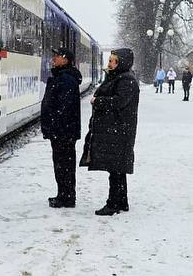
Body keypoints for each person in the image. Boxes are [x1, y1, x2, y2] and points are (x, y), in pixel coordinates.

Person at [84, 48, 140, 216]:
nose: (108, 63)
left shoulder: (126, 80)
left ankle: (113, 203)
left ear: (120, 62)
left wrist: (97, 101)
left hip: (119, 131)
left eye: (112, 60)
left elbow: (119, 102)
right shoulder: (120, 78)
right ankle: (121, 201)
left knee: (115, 168)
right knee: (117, 169)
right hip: (116, 130)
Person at [42, 47, 83, 208]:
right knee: (64, 164)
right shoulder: (63, 76)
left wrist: (54, 125)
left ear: (65, 60)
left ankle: (66, 197)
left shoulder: (65, 79)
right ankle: (64, 194)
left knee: (63, 164)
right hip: (63, 130)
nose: (54, 59)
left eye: (57, 56)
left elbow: (64, 108)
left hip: (63, 131)